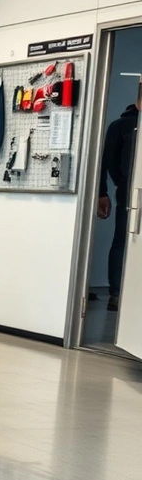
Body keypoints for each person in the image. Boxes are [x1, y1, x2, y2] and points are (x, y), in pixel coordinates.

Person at [97, 84, 140, 312]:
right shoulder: (121, 126)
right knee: (122, 242)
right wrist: (103, 193)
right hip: (128, 192)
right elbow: (106, 163)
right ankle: (116, 293)